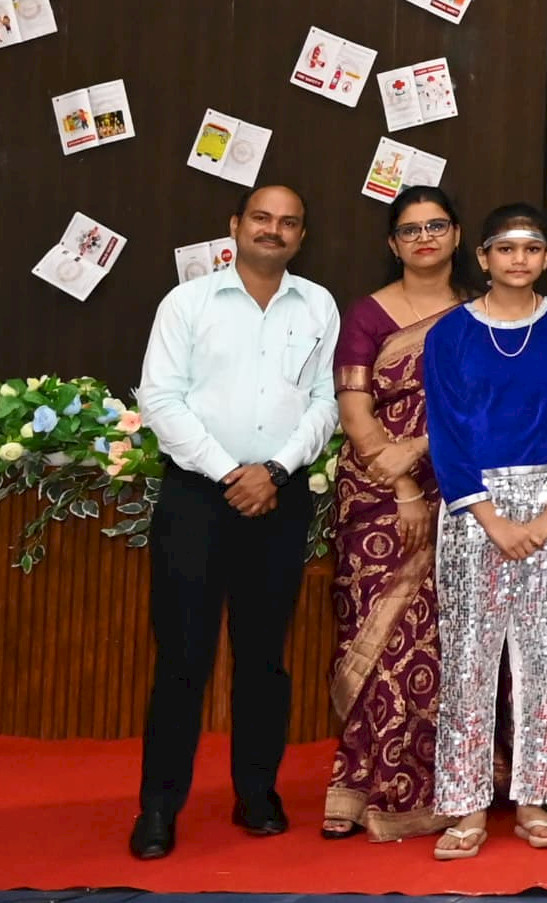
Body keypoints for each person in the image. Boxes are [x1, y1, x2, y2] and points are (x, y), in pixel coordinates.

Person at [130, 185, 338, 860]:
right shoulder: (187, 302)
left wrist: (273, 470)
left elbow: (325, 402)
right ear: (235, 226)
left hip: (279, 498)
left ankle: (256, 792)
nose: (273, 230)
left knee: (264, 658)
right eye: (261, 218)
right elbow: (161, 399)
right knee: (182, 658)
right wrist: (230, 472)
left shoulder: (319, 305)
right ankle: (159, 806)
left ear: (301, 236)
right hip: (196, 498)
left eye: (288, 222)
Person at [422, 204, 547, 860]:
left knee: (545, 656)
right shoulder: (450, 334)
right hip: (475, 506)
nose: (519, 259)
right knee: (469, 657)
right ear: (483, 257)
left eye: (531, 248)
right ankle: (466, 804)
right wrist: (491, 517)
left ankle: (535, 798)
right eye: (506, 248)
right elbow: (446, 431)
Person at [320, 187, 472, 843]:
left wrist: (427, 450)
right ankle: (359, 781)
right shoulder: (367, 314)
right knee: (375, 634)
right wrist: (405, 484)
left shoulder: (478, 313)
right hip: (377, 490)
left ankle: (444, 783)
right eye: (410, 229)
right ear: (393, 243)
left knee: (443, 640)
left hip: (462, 485)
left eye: (436, 225)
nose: (424, 238)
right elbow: (356, 412)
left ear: (457, 235)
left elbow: (484, 406)